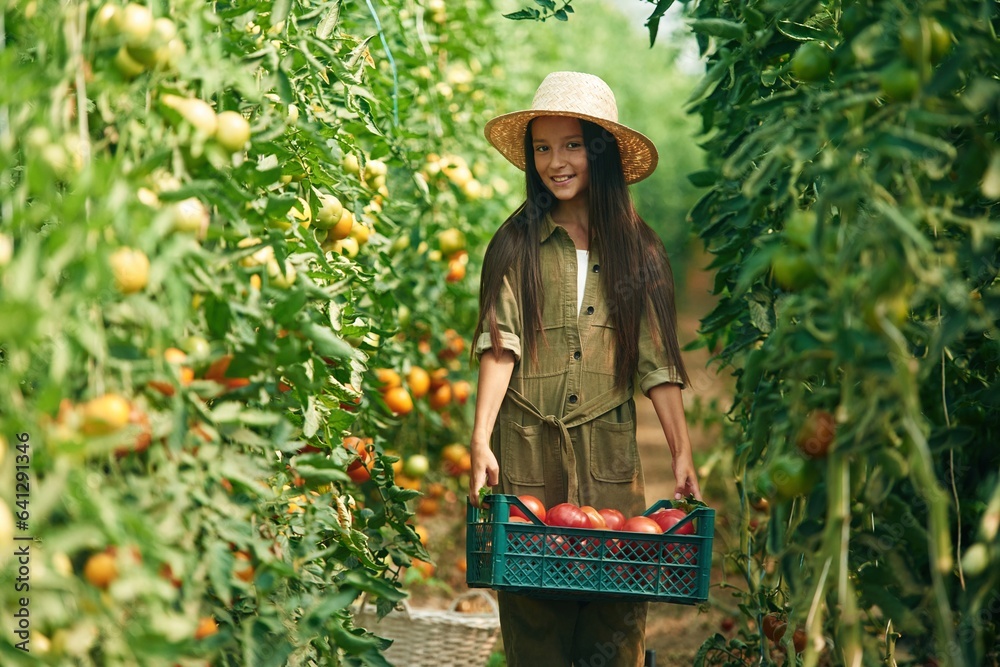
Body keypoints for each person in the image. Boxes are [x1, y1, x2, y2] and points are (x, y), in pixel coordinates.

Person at [468, 71, 702, 666]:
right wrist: (479, 438)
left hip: (608, 456)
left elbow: (658, 363)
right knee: (533, 613)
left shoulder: (638, 249)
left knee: (614, 617)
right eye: (542, 148)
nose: (556, 162)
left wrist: (681, 452)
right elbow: (501, 344)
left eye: (572, 145)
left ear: (601, 153)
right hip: (524, 449)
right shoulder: (515, 243)